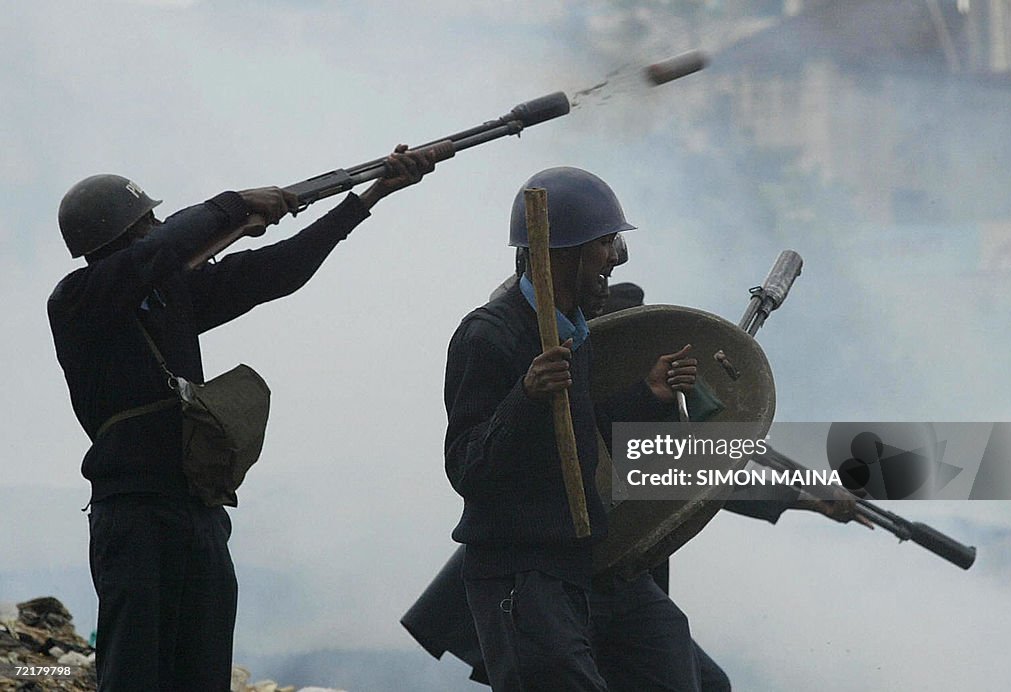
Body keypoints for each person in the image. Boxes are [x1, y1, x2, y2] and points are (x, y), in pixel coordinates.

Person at [47, 145, 434, 691]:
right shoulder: (77, 299)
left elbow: (278, 271)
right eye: (146, 221)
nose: (157, 225)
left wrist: (367, 197)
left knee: (202, 674)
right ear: (125, 235)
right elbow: (168, 242)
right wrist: (235, 205)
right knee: (133, 675)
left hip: (196, 508)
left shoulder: (165, 292)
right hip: (135, 517)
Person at [443, 166, 697, 691]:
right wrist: (526, 396)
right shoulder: (489, 337)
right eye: (604, 243)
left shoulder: (573, 331)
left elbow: (570, 437)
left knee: (676, 662)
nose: (615, 258)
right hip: (522, 572)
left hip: (583, 562)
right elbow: (467, 467)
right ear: (563, 252)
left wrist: (645, 398)